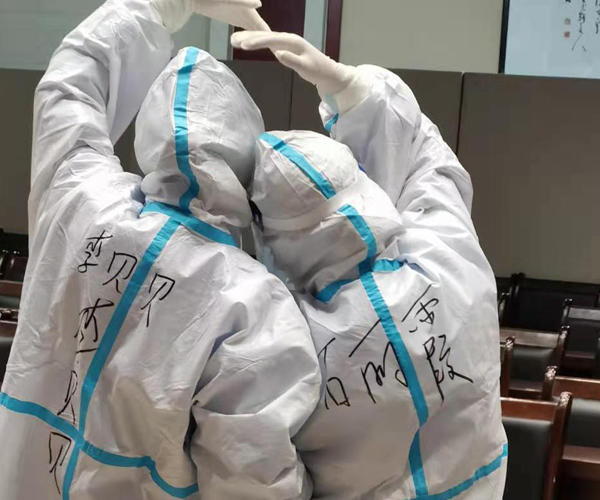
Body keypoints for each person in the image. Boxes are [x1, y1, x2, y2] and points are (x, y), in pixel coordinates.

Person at [0, 3, 321, 499]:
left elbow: (69, 88)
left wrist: (158, 4)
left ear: (150, 134)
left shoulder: (81, 200)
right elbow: (252, 480)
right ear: (247, 166)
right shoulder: (251, 302)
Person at [233, 32, 508, 499]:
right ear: (366, 190)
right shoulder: (451, 256)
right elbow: (427, 158)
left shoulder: (285, 340)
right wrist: (355, 91)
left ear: (273, 235)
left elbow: (256, 473)